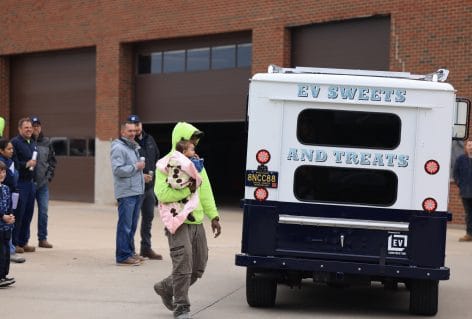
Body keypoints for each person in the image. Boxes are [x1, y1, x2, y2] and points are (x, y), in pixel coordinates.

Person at [153, 122, 221, 319]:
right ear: (180, 142)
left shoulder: (196, 164)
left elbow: (205, 190)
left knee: (198, 267)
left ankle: (166, 287)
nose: (194, 145)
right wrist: (187, 190)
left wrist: (214, 216)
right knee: (183, 265)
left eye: (195, 142)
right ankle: (181, 306)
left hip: (197, 221)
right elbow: (162, 193)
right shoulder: (165, 165)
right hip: (178, 222)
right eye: (190, 141)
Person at [110, 121, 145, 266]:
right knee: (125, 225)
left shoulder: (132, 147)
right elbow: (117, 170)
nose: (133, 133)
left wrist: (143, 176)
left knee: (131, 225)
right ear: (123, 132)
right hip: (126, 193)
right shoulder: (118, 148)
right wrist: (136, 166)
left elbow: (131, 170)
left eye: (134, 131)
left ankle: (130, 252)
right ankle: (123, 256)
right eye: (129, 131)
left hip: (136, 190)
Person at [127, 115, 162, 260]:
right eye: (132, 125)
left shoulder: (150, 140)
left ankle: (146, 248)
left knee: (148, 219)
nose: (136, 127)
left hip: (149, 189)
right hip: (135, 188)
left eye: (138, 124)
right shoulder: (129, 143)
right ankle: (130, 251)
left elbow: (157, 159)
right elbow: (126, 167)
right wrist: (141, 177)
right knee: (132, 221)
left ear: (141, 125)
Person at [156, 140, 202, 234]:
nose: (194, 152)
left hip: (184, 185)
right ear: (184, 152)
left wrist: (197, 161)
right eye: (192, 150)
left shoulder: (190, 160)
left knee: (187, 201)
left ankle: (188, 213)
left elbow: (197, 170)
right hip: (179, 183)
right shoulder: (174, 159)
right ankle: (175, 218)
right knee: (180, 203)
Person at [11, 118, 37, 253]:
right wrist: (26, 164)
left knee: (28, 213)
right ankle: (14, 243)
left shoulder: (32, 142)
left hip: (31, 183)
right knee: (19, 213)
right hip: (20, 183)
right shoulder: (15, 143)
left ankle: (23, 241)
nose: (29, 130)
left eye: (30, 127)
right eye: (26, 128)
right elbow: (14, 164)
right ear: (20, 129)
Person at [31, 116, 57, 249]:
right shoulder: (26, 142)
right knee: (26, 213)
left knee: (43, 212)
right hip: (29, 183)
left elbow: (52, 161)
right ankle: (22, 241)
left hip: (43, 185)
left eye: (38, 125)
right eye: (33, 125)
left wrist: (49, 177)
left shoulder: (47, 142)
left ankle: (42, 239)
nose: (36, 128)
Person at [0, 139, 24, 263]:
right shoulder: (1, 163)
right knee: (5, 224)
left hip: (12, 194)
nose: (11, 151)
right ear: (1, 150)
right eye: (9, 149)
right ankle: (10, 251)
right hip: (5, 194)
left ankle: (11, 248)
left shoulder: (11, 161)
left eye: (12, 149)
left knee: (11, 221)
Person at [0, 161, 16, 287]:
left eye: (3, 171)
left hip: (6, 227)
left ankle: (4, 275)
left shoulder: (5, 188)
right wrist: (2, 216)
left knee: (6, 252)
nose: (1, 174)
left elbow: (9, 205)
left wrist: (10, 215)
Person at [453, 139, 472, 242]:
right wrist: (460, 184)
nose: (471, 147)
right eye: (469, 145)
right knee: (469, 214)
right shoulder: (460, 159)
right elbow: (456, 174)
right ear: (466, 147)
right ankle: (469, 234)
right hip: (465, 192)